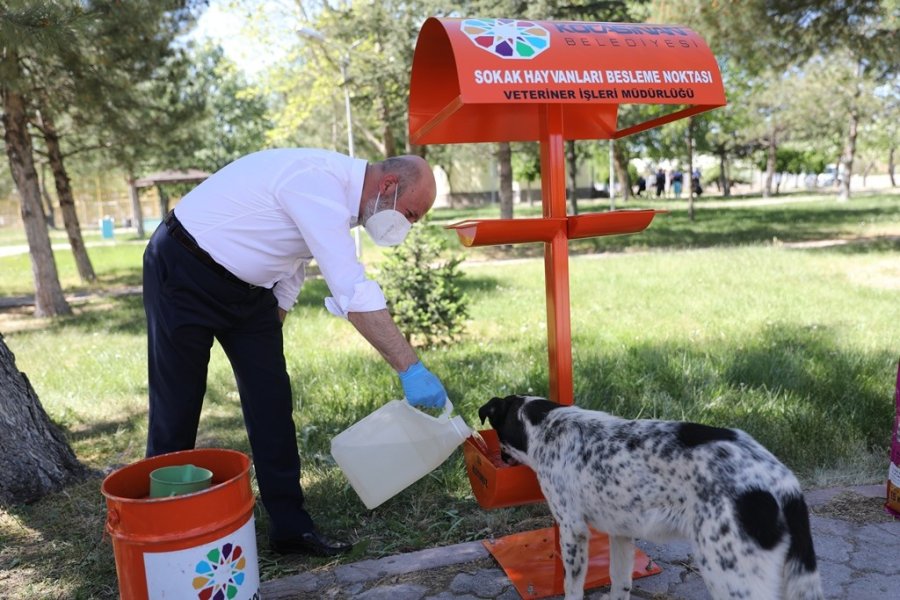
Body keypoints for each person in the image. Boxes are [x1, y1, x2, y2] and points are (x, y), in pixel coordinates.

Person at [142, 148, 448, 557]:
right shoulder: (318, 182)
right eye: (410, 214)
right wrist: (410, 368)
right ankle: (159, 531)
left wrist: (272, 327)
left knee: (271, 403)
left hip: (250, 295)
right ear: (389, 186)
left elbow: (295, 257)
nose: (406, 226)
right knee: (177, 405)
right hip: (184, 267)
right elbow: (352, 291)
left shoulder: (339, 201)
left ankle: (290, 529)